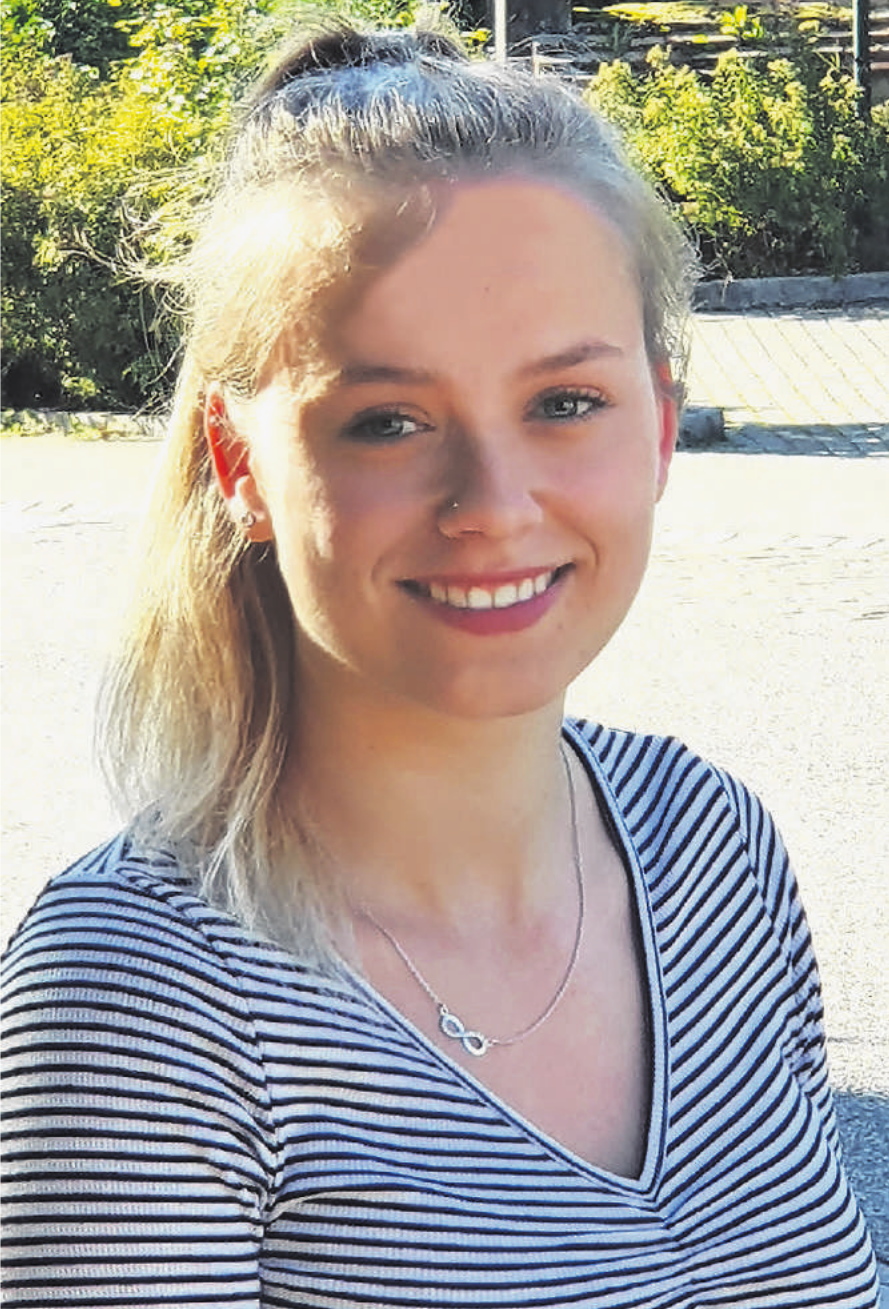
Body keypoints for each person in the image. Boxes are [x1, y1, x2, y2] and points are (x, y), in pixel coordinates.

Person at [0, 20, 880, 1308]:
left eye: (564, 403)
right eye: (389, 421)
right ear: (242, 467)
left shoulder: (715, 851)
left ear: (658, 429)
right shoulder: (145, 994)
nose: (494, 505)